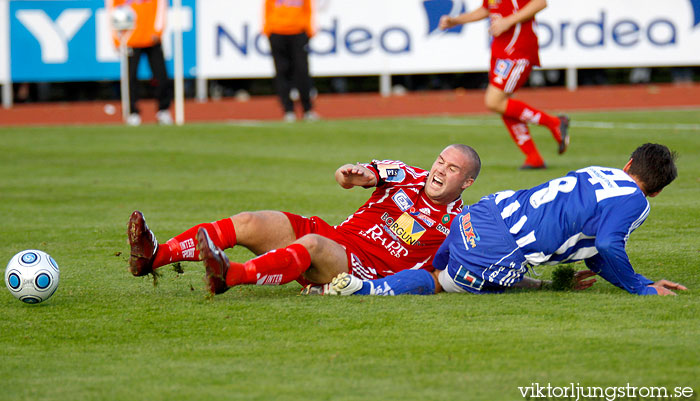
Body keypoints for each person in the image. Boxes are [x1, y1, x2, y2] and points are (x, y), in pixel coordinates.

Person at [320, 143, 687, 297]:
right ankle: (360, 289)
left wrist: (637, 280)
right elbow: (606, 245)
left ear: (627, 165)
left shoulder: (599, 171)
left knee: (435, 266)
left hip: (486, 210)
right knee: (440, 283)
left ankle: (365, 279)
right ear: (654, 192)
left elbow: (593, 251)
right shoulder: (636, 202)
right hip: (500, 245)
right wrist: (642, 287)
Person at [127, 144, 482, 295]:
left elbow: (449, 275)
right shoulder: (407, 174)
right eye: (439, 161)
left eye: (452, 169)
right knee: (250, 220)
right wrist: (349, 174)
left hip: (360, 268)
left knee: (310, 245)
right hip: (335, 237)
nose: (439, 171)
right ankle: (154, 256)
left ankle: (230, 276)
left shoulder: (461, 223)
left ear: (466, 182)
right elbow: (354, 178)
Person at [439, 0, 568, 169]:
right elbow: (486, 9)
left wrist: (508, 21)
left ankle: (553, 122)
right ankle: (533, 157)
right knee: (502, 103)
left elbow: (540, 3)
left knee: (494, 100)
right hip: (501, 49)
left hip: (517, 49)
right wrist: (456, 21)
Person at [107, 0, 173, 126]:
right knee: (130, 77)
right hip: (130, 39)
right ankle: (132, 112)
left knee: (161, 75)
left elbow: (161, 6)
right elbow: (113, 12)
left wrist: (157, 31)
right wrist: (116, 39)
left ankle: (163, 110)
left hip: (151, 38)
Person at [263, 0, 318, 122]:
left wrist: (308, 29)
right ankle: (288, 110)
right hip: (277, 32)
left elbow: (308, 10)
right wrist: (268, 29)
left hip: (298, 32)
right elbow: (268, 9)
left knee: (302, 71)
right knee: (282, 71)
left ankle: (308, 109)